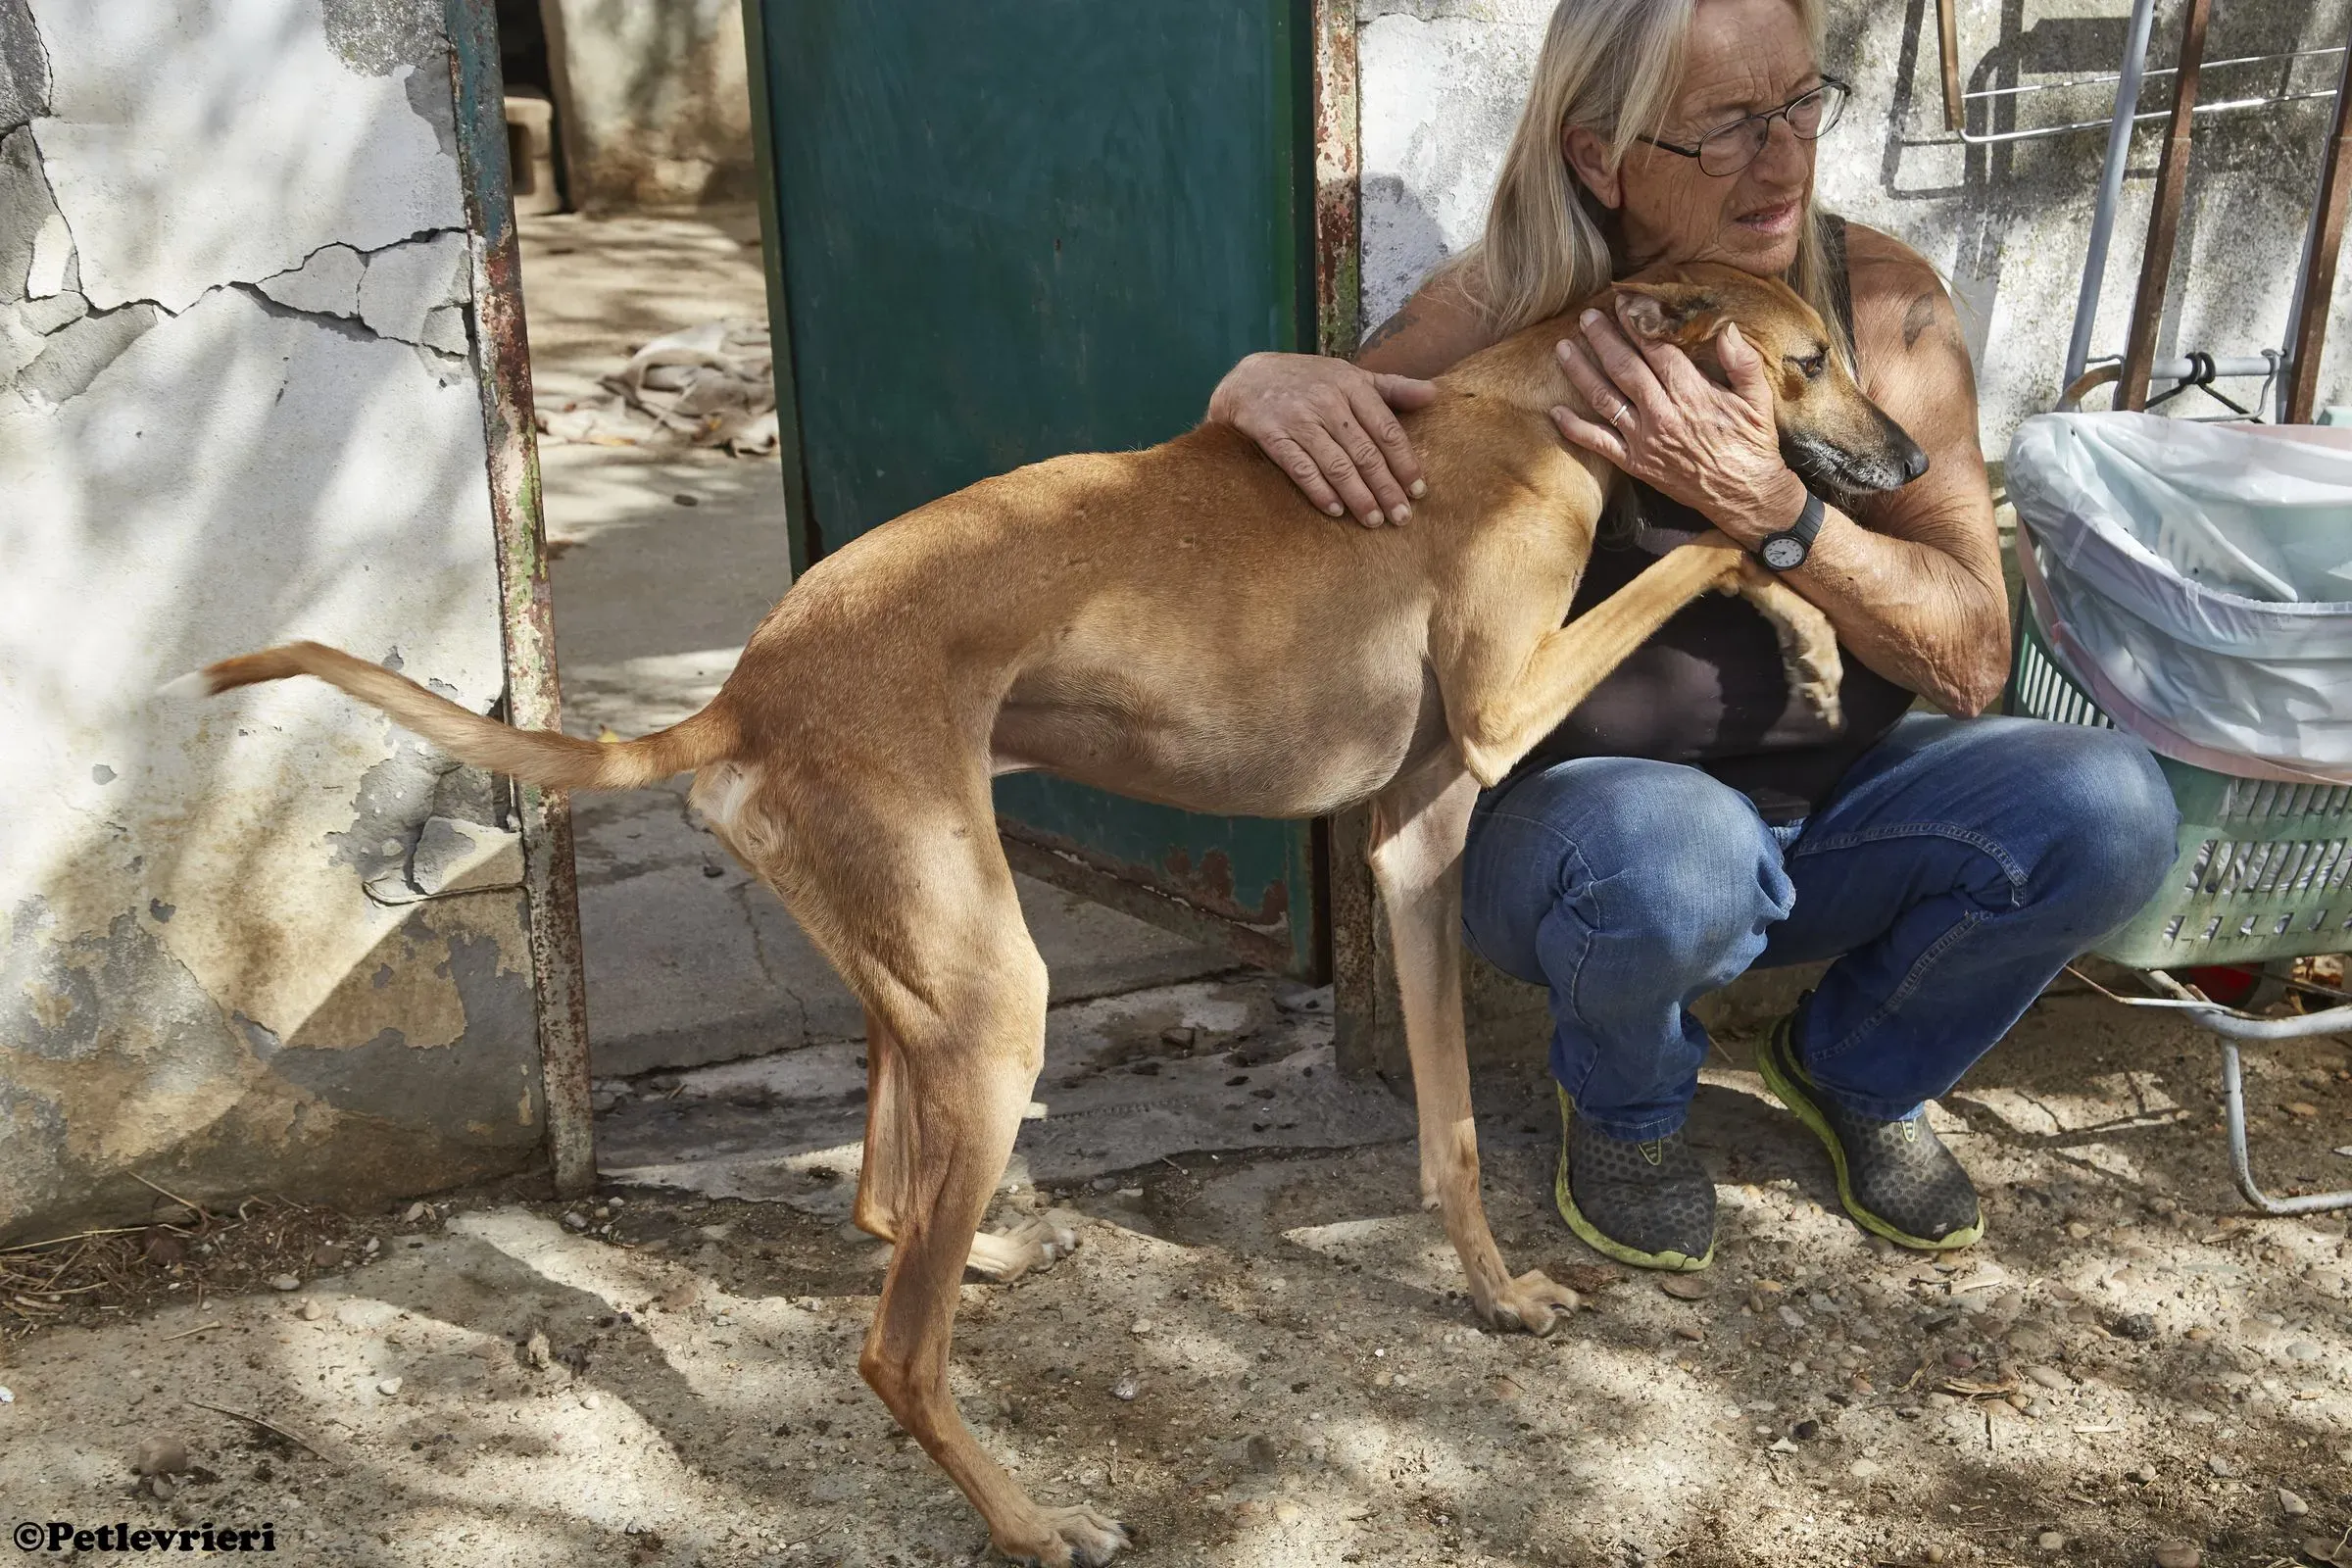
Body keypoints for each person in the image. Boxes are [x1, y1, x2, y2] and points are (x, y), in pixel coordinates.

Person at [1206, 0, 2178, 1270]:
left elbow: (1974, 659)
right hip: (1587, 845)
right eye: (1724, 129)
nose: (1781, 158)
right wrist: (1252, 389)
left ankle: (1857, 1070)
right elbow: (1307, 479)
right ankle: (1624, 1107)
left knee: (2113, 805)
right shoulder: (1512, 306)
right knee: (1677, 858)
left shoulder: (1880, 307)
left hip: (1840, 821)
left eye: (1796, 106)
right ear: (1599, 155)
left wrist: (1775, 513)